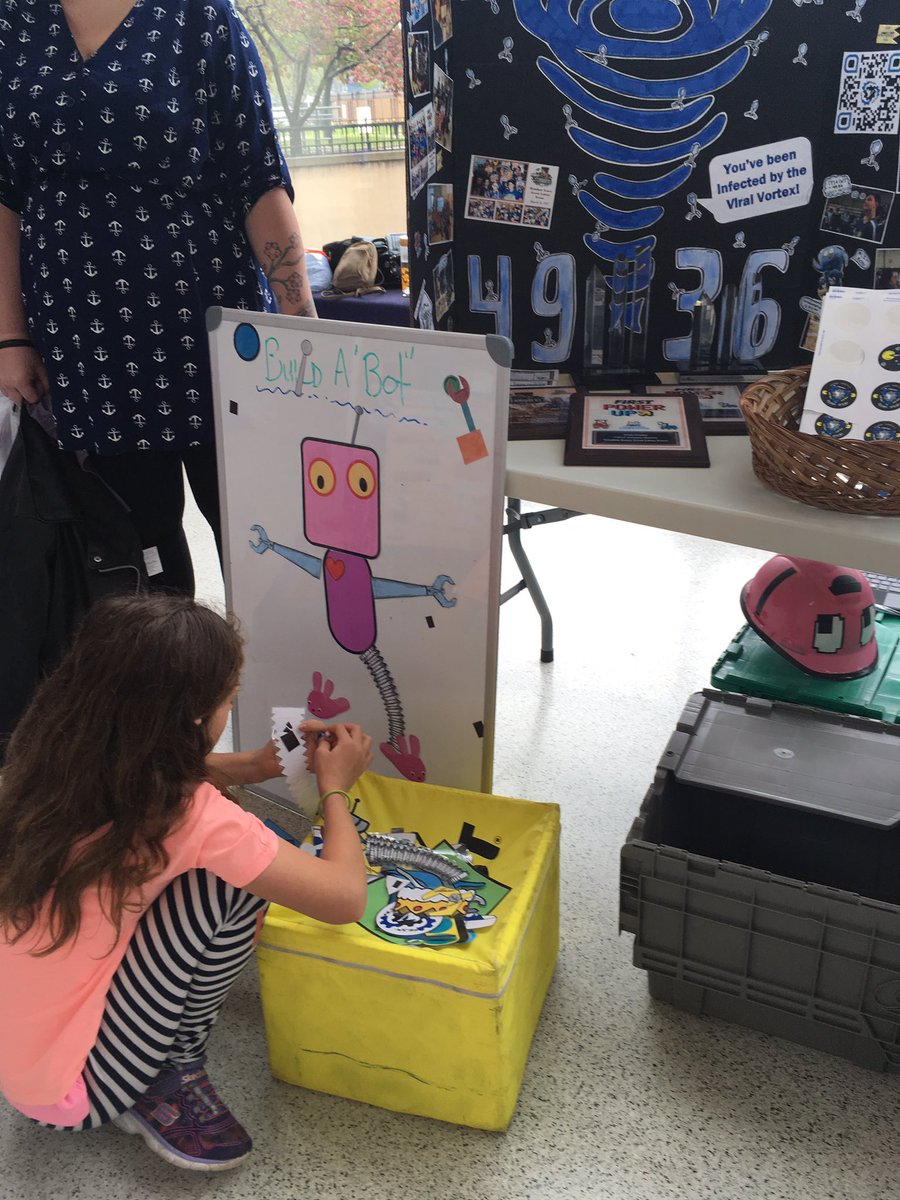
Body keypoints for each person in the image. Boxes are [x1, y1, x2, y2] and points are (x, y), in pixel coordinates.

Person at [0, 593, 374, 1171]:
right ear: (197, 719)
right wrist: (335, 788)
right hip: (73, 1095)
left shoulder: (43, 759)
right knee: (238, 877)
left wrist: (249, 767)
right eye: (227, 703)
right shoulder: (194, 814)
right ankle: (167, 1070)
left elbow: (142, 764)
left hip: (22, 1061)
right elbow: (345, 898)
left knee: (217, 861)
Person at [0, 0, 317, 596]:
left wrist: (305, 331)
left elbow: (258, 178)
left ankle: (281, 688)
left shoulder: (200, 17)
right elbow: (5, 194)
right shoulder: (12, 22)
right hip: (86, 345)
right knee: (139, 559)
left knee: (264, 542)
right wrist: (9, 335)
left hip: (213, 332)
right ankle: (175, 690)